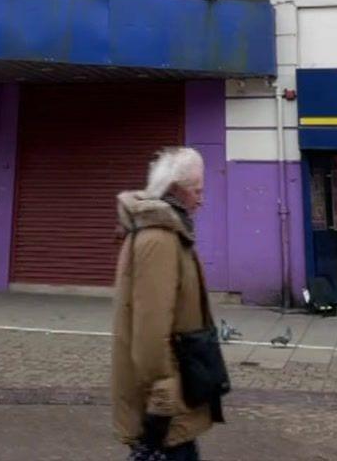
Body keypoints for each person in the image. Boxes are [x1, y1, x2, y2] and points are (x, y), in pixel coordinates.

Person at [112, 146, 220, 461]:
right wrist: (161, 405)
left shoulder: (169, 233)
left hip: (173, 398)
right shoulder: (158, 239)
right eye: (197, 190)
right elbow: (150, 331)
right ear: (176, 190)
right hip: (165, 409)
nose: (201, 199)